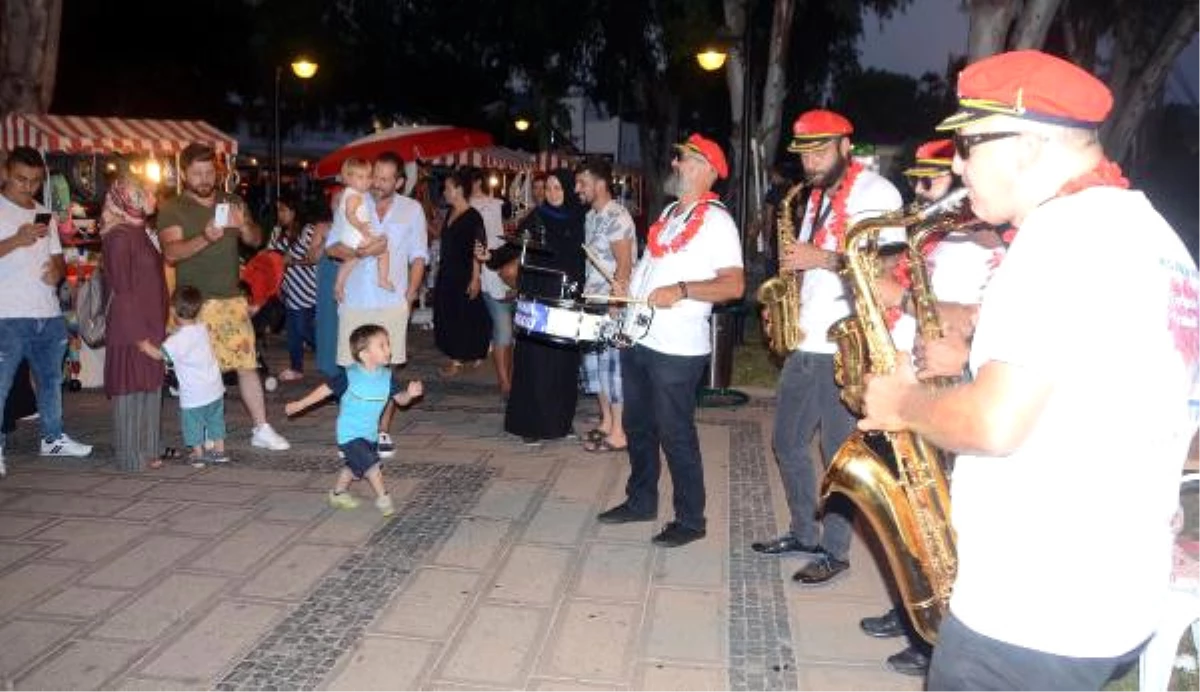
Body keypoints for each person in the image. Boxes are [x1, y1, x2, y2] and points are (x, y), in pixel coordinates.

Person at [858, 50, 1200, 690]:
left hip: (1029, 614)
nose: (957, 163)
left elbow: (994, 422)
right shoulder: (1160, 240)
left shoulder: (1060, 237)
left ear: (1026, 145)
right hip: (1115, 598)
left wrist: (902, 402)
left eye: (969, 142)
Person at [858, 137, 1004, 677]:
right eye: (916, 181)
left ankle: (939, 630)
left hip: (959, 387)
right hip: (924, 375)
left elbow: (973, 314)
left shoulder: (998, 250)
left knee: (945, 514)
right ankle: (913, 607)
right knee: (919, 510)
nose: (920, 193)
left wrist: (903, 300)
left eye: (931, 182)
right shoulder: (940, 242)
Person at [750, 110, 903, 584]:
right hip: (807, 339)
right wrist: (789, 289)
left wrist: (823, 257)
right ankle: (803, 532)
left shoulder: (877, 194)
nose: (811, 163)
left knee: (839, 454)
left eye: (820, 151)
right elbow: (807, 264)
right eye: (805, 155)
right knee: (788, 443)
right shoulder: (814, 197)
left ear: (844, 146)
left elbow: (890, 267)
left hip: (849, 342)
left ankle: (835, 552)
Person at [595, 134, 745, 547]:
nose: (676, 165)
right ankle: (641, 500)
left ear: (709, 171)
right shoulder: (669, 215)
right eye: (678, 159)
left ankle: (691, 520)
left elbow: (733, 284)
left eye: (686, 160)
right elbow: (649, 265)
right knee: (638, 425)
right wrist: (627, 285)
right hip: (641, 337)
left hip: (677, 349)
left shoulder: (718, 222)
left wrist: (680, 290)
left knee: (675, 433)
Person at [157, 143, 290, 451]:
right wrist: (206, 236)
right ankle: (203, 431)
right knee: (202, 372)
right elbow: (171, 253)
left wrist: (244, 224)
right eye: (197, 173)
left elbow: (255, 240)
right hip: (194, 306)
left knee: (246, 364)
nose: (204, 179)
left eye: (209, 172)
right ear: (183, 173)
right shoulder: (173, 208)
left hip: (231, 300)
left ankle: (261, 428)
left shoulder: (232, 200)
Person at [327, 153, 427, 459]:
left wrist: (410, 296)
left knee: (385, 372)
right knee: (351, 371)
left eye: (385, 178)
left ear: (399, 181)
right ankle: (352, 434)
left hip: (391, 302)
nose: (377, 183)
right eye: (375, 176)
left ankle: (380, 431)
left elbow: (419, 256)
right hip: (355, 299)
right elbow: (332, 246)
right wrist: (358, 253)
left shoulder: (412, 210)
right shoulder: (354, 200)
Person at [0, 146, 93, 470]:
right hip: (7, 314)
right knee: (2, 383)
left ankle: (52, 439)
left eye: (35, 181)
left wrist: (56, 271)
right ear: (5, 174)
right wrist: (15, 240)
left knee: (51, 380)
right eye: (20, 180)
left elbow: (55, 255)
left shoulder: (43, 212)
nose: (27, 187)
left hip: (46, 312)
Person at [285, 324, 423, 517]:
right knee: (372, 466)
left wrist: (410, 394)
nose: (389, 350)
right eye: (382, 346)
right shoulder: (350, 376)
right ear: (365, 354)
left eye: (388, 344)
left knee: (354, 468)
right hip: (349, 433)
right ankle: (384, 499)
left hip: (369, 433)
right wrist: (299, 405)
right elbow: (324, 391)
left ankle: (337, 493)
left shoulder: (386, 377)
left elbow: (401, 400)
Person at [503, 168, 587, 446]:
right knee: (536, 362)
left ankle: (561, 422)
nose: (552, 193)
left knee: (564, 364)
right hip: (539, 297)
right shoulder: (536, 217)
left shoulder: (579, 218)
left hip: (567, 297)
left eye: (557, 188)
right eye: (548, 188)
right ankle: (531, 424)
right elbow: (512, 251)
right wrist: (490, 256)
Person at [101, 176, 168, 471]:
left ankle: (149, 449)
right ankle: (131, 456)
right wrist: (140, 339)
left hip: (150, 324)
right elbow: (123, 291)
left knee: (150, 388)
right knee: (131, 389)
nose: (153, 195)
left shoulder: (139, 232)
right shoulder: (119, 237)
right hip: (133, 329)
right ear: (130, 200)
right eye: (145, 192)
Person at [575, 157, 635, 452]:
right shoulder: (590, 217)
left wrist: (616, 302)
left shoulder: (617, 216)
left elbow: (624, 264)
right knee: (593, 368)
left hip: (611, 304)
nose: (577, 189)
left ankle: (620, 432)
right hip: (592, 299)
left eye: (582, 183)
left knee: (612, 369)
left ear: (600, 184)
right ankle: (606, 422)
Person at [139, 286, 228, 467]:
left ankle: (198, 453)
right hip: (215, 388)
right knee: (215, 420)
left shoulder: (176, 341)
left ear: (172, 310)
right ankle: (219, 450)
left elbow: (159, 355)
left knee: (192, 424)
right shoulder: (202, 329)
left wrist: (144, 345)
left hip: (195, 394)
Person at [433, 169, 491, 375]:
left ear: (458, 189)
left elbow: (480, 246)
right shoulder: (450, 212)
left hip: (464, 272)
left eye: (448, 188)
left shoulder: (473, 216)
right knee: (452, 313)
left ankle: (457, 359)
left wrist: (475, 278)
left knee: (462, 315)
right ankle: (475, 351)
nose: (445, 192)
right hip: (448, 271)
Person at [470, 168, 515, 400]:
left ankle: (507, 379)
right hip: (490, 270)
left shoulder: (496, 203)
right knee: (504, 330)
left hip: (503, 267)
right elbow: (476, 244)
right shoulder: (477, 206)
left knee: (506, 332)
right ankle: (505, 383)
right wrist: (476, 273)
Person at [270, 195, 319, 382]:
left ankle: (331, 356)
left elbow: (315, 258)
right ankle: (296, 368)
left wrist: (293, 262)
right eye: (278, 210)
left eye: (283, 210)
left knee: (304, 329)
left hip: (307, 289)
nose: (279, 214)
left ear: (294, 211)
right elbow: (272, 255)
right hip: (289, 290)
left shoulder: (308, 231)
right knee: (293, 333)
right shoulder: (277, 232)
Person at [333, 158, 394, 301]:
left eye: (368, 176)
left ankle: (339, 285)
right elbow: (350, 214)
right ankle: (383, 279)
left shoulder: (347, 193)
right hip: (356, 235)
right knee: (383, 251)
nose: (366, 181)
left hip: (349, 236)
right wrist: (360, 226)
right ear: (348, 177)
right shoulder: (355, 196)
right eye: (360, 177)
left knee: (351, 261)